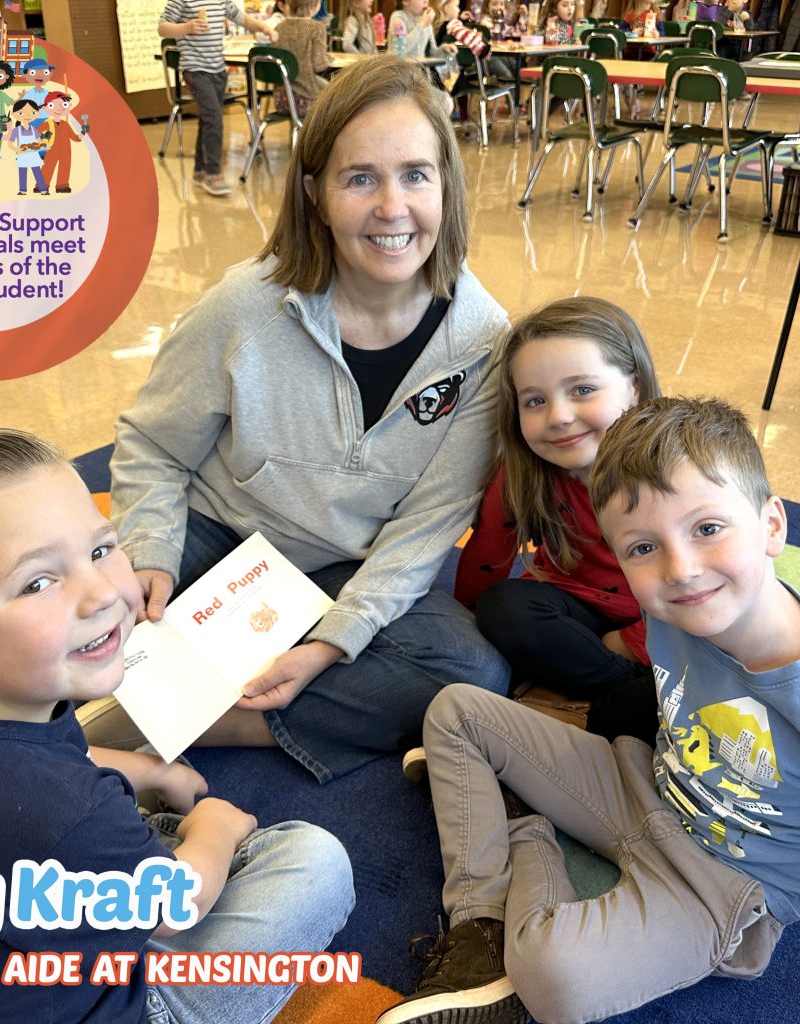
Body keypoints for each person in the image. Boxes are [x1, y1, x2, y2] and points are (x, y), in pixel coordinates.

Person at [0, 427, 354, 1024]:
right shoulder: (58, 810)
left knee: (127, 831)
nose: (101, 594)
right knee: (313, 862)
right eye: (38, 582)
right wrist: (215, 828)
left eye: (100, 549)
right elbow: (173, 906)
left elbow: (50, 771)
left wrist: (145, 768)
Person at [100, 57, 511, 786]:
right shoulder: (243, 307)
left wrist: (328, 646)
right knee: (76, 612)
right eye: (361, 179)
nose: (393, 207)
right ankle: (135, 699)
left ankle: (222, 723)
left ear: (446, 185)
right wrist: (152, 556)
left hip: (347, 567)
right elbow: (153, 448)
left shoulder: (484, 342)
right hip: (220, 541)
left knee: (470, 670)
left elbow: (423, 532)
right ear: (315, 191)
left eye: (416, 174)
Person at [377, 395, 800, 1024]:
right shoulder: (670, 614)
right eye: (642, 548)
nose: (681, 570)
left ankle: (519, 822)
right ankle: (480, 929)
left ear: (772, 526)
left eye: (708, 529)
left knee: (556, 977)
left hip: (727, 890)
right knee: (457, 711)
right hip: (643, 789)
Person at [453, 297, 660, 742]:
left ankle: (571, 708)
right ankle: (608, 702)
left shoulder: (672, 472)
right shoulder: (524, 472)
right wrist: (467, 632)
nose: (560, 417)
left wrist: (626, 644)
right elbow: (487, 557)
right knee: (504, 610)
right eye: (535, 401)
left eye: (583, 390)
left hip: (663, 618)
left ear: (635, 387)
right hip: (569, 611)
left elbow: (701, 584)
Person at [158, 0, 277, 198]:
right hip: (195, 70)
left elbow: (242, 18)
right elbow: (163, 28)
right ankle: (213, 173)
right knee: (214, 118)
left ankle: (200, 170)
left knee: (208, 120)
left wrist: (265, 27)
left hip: (218, 71)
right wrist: (186, 27)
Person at [273, 0, 331, 118]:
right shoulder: (317, 28)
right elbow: (320, 65)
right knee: (336, 91)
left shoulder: (279, 28)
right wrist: (328, 58)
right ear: (315, 4)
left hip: (282, 100)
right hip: (306, 100)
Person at [8, 98, 49, 196]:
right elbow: (10, 143)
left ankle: (43, 189)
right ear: (15, 115)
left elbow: (39, 141)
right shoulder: (16, 130)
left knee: (37, 172)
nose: (27, 115)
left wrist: (44, 146)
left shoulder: (33, 129)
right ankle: (23, 190)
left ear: (37, 114)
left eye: (32, 112)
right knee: (22, 172)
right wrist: (17, 150)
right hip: (22, 155)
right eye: (21, 113)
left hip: (33, 154)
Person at [389, 0, 458, 55]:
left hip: (418, 69)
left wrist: (442, 49)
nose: (426, 1)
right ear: (406, 1)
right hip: (399, 69)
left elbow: (432, 51)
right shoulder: (398, 18)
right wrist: (422, 25)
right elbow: (400, 50)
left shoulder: (424, 19)